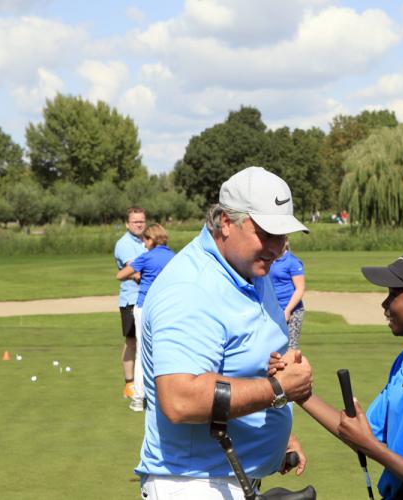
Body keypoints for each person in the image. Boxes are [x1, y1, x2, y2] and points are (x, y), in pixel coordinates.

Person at [136, 166, 314, 499]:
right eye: (266, 233)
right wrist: (278, 389)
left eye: (282, 235)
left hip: (230, 477)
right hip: (192, 485)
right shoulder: (190, 287)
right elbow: (180, 398)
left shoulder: (251, 271)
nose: (277, 248)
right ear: (226, 222)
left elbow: (246, 365)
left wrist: (276, 434)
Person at [271, 249, 403, 500]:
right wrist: (298, 391)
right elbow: (360, 433)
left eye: (394, 294)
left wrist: (372, 448)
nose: (384, 303)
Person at [116, 223, 175, 411]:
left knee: (142, 351)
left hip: (144, 306)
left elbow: (120, 275)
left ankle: (139, 398)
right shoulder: (174, 257)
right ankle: (165, 394)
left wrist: (136, 274)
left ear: (151, 239)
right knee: (165, 349)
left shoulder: (146, 257)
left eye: (145, 240)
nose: (144, 243)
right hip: (166, 307)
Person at [114, 207, 147, 410]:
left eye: (142, 221)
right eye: (135, 222)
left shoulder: (147, 241)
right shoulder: (125, 244)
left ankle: (144, 384)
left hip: (146, 299)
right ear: (127, 224)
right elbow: (134, 272)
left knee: (145, 342)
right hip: (131, 300)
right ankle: (129, 384)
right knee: (132, 342)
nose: (139, 224)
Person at [269, 241, 306, 349]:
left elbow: (300, 289)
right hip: (273, 309)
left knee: (290, 347)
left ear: (286, 242)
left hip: (292, 310)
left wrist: (288, 310)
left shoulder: (292, 262)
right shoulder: (269, 260)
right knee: (272, 346)